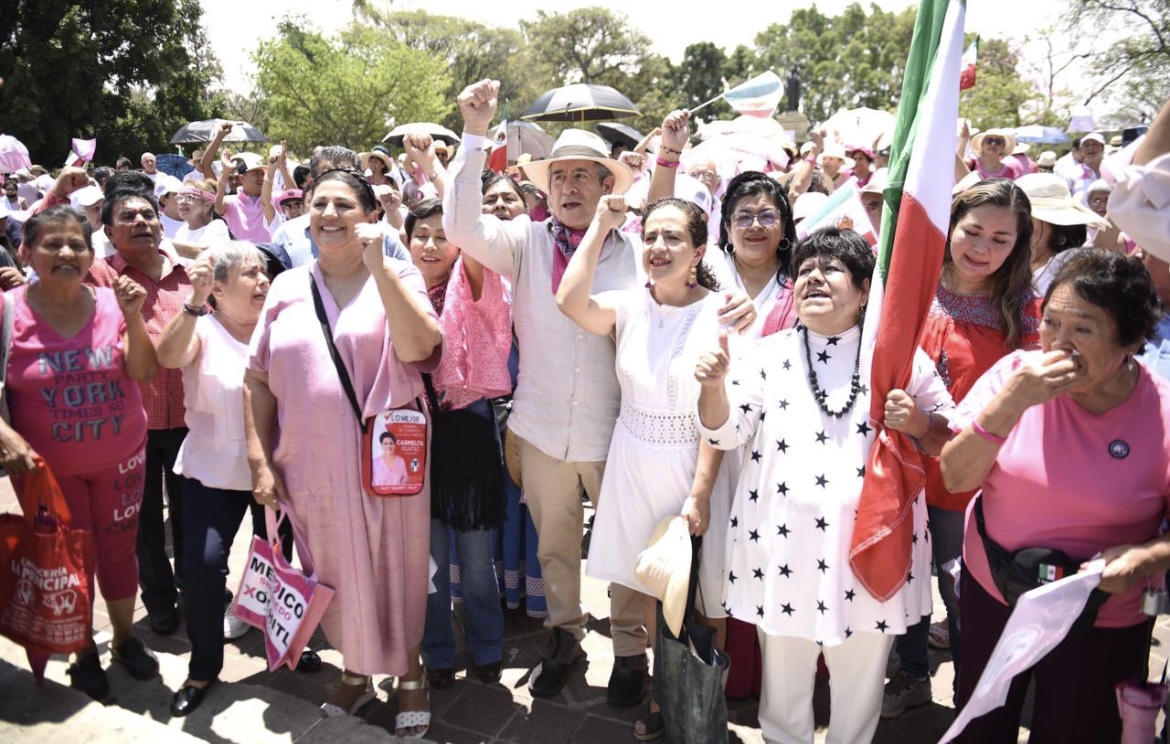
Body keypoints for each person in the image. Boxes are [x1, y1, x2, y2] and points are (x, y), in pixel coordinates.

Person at [444, 80, 754, 704]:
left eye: (584, 175)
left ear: (605, 184)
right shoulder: (522, 241)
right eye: (560, 176)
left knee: (626, 551)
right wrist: (474, 135)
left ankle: (628, 649)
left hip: (618, 431)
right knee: (555, 548)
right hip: (538, 425)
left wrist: (733, 294)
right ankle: (564, 636)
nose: (570, 187)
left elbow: (684, 240)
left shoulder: (639, 252)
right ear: (546, 185)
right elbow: (459, 224)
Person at [695, 227, 954, 744]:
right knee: (784, 690)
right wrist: (711, 388)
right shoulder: (764, 353)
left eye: (830, 268)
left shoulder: (898, 357)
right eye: (805, 269)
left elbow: (951, 437)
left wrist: (921, 425)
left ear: (864, 290)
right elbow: (724, 430)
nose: (812, 276)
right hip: (783, 549)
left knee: (859, 689)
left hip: (872, 550)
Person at [941, 250, 1170, 743]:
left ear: (1130, 340)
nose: (1059, 345)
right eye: (1051, 324)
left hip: (1102, 613)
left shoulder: (1163, 412)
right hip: (997, 588)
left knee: (1074, 729)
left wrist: (1144, 556)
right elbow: (956, 477)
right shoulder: (1015, 375)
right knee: (981, 723)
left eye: (1083, 330)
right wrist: (1012, 403)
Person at [245, 168, 442, 736]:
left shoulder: (399, 272)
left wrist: (380, 266)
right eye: (319, 203)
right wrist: (260, 459)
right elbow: (256, 379)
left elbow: (419, 346)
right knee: (331, 571)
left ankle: (410, 674)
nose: (329, 215)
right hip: (308, 464)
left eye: (343, 205)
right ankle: (355, 672)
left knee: (397, 564)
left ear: (370, 216)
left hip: (388, 462)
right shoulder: (284, 287)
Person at [558, 195, 735, 740]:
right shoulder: (630, 305)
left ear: (698, 250)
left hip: (692, 467)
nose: (658, 248)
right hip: (633, 458)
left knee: (700, 596)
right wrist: (603, 224)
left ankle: (701, 712)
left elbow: (722, 416)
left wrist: (700, 492)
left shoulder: (721, 310)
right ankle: (664, 697)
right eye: (650, 237)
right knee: (659, 590)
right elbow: (570, 300)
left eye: (673, 238)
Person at [884, 179, 1041, 719]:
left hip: (968, 478)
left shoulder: (1024, 309)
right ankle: (911, 673)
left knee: (963, 591)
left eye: (1000, 239)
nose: (981, 248)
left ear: (1020, 243)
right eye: (972, 231)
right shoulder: (908, 283)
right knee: (900, 580)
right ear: (948, 226)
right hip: (896, 465)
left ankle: (976, 700)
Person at [0, 206, 157, 700]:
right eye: (52, 244)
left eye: (77, 245)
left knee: (118, 552)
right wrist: (6, 436)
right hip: (46, 473)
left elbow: (145, 371)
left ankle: (127, 639)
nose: (66, 253)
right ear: (25, 252)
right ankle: (83, 649)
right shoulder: (6, 311)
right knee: (68, 561)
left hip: (123, 460)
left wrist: (133, 316)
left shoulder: (114, 302)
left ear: (92, 254)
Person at [155, 243, 272, 716]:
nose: (263, 280)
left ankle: (288, 643)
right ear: (218, 289)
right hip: (210, 472)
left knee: (285, 566)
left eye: (264, 271)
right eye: (250, 274)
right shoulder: (201, 328)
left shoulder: (279, 329)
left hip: (275, 474)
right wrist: (191, 301)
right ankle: (203, 668)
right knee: (203, 569)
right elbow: (167, 356)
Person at [404, 195, 511, 690]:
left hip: (465, 425)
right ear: (404, 240)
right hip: (408, 435)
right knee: (426, 560)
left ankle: (487, 644)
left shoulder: (472, 283)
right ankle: (437, 651)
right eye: (419, 234)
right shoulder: (391, 290)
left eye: (440, 235)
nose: (430, 244)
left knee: (473, 557)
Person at [84, 179, 193, 638]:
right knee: (144, 521)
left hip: (193, 420)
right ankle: (160, 600)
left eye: (148, 214)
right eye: (127, 217)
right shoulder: (98, 275)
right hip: (132, 424)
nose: (142, 222)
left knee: (194, 515)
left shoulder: (191, 275)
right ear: (107, 230)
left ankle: (200, 587)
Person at [649, 109, 799, 340]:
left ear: (784, 224)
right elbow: (658, 216)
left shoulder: (802, 274)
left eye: (767, 216)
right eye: (744, 217)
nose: (756, 226)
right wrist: (670, 152)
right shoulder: (706, 263)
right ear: (727, 228)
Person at [477, 173, 545, 617]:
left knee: (533, 503)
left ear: (527, 208)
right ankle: (495, 590)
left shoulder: (541, 263)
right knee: (494, 502)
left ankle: (533, 594)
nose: (501, 205)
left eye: (510, 199)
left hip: (534, 403)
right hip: (481, 406)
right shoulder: (461, 264)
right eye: (490, 200)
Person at [1016, 173, 1109, 294]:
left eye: (1027, 222)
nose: (1014, 231)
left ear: (1060, 235)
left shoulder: (1073, 278)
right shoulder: (1009, 268)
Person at [172, 181, 230, 259]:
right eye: (179, 198)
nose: (182, 202)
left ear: (208, 204)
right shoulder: (182, 230)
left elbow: (209, 255)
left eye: (189, 197)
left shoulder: (217, 227)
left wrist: (167, 245)